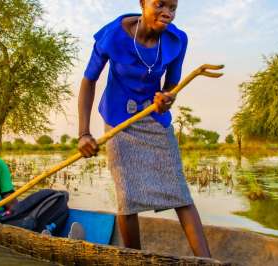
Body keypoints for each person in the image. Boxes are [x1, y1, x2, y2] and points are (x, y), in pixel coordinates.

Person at [77, 0, 211, 257]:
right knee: (127, 197)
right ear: (142, 3)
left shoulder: (177, 40)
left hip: (154, 118)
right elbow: (89, 80)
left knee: (179, 191)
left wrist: (166, 97)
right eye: (160, 5)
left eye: (173, 8)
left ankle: (206, 260)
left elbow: (171, 85)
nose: (167, 13)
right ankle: (134, 258)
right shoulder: (113, 35)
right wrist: (84, 132)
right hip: (119, 120)